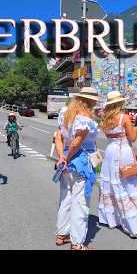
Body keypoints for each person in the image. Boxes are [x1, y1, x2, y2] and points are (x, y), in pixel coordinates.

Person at [98, 91, 137, 238]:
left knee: (112, 184)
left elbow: (109, 135)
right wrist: (135, 129)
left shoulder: (104, 117)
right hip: (123, 153)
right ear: (120, 103)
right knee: (128, 186)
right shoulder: (124, 118)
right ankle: (134, 226)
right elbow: (133, 138)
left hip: (110, 152)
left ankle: (111, 218)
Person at [54, 87, 100, 250]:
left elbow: (58, 136)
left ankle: (61, 234)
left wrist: (61, 157)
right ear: (91, 101)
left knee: (65, 198)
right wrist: (67, 158)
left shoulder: (65, 112)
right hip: (80, 161)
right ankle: (77, 243)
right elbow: (76, 143)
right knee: (80, 203)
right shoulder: (85, 117)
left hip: (66, 160)